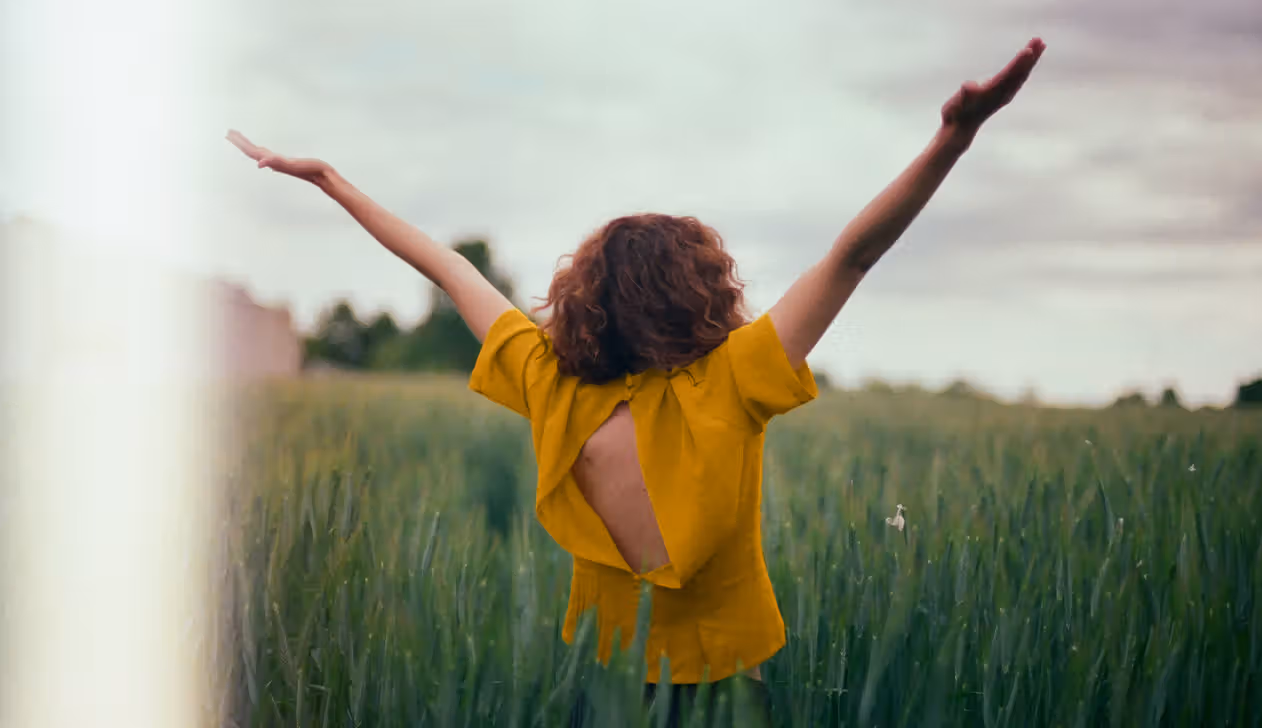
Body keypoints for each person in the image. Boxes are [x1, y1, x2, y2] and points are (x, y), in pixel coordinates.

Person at [228, 37, 1045, 726]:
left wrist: (330, 180)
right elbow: (852, 256)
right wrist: (953, 139)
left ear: (589, 298)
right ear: (703, 293)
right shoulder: (735, 381)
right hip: (733, 684)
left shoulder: (548, 381)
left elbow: (444, 266)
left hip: (605, 683)